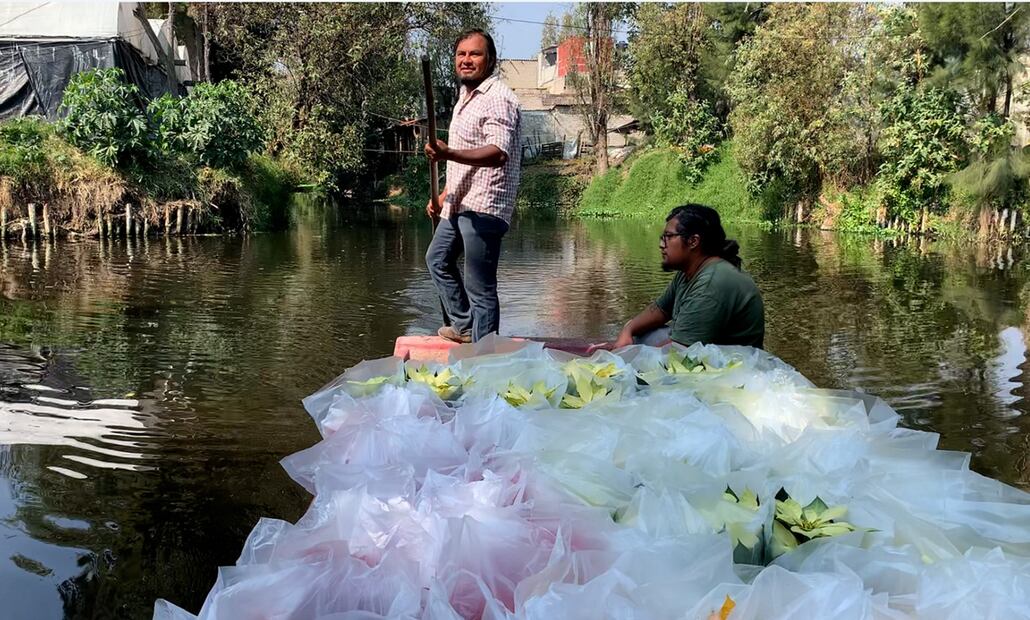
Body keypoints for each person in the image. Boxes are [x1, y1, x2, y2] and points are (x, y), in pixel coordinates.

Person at [424, 28, 521, 344]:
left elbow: (497, 153)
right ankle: (464, 326)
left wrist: (447, 151)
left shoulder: (498, 98)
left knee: (480, 287)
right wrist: (443, 193)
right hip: (459, 201)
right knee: (437, 258)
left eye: (475, 54)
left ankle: (485, 357)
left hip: (484, 206)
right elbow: (463, 158)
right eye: (461, 54)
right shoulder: (465, 97)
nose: (466, 60)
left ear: (490, 60)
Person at [592, 204, 765, 351]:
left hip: (732, 374)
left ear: (693, 241)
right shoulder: (689, 272)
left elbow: (679, 352)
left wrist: (621, 359)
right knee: (645, 333)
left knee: (640, 354)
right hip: (701, 358)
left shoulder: (712, 283)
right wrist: (628, 329)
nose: (661, 245)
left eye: (668, 237)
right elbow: (660, 310)